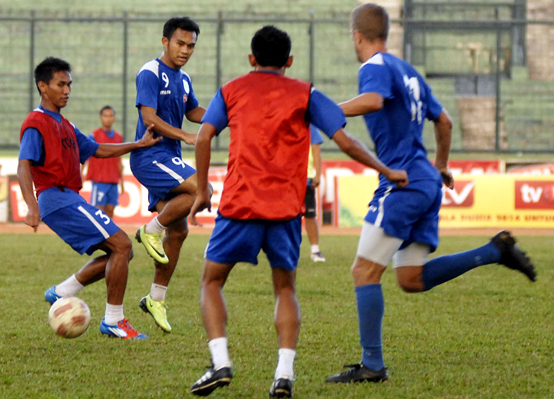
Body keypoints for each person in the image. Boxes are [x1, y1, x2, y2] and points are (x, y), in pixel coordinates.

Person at [187, 25, 407, 398]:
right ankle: (284, 374)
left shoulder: (231, 89)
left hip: (239, 205)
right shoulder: (306, 93)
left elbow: (205, 136)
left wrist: (203, 187)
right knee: (285, 287)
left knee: (211, 281)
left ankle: (220, 362)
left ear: (251, 59)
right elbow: (346, 141)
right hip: (286, 210)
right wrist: (386, 170)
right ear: (289, 61)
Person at [325, 4, 536, 384]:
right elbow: (445, 120)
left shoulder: (372, 67)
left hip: (402, 182)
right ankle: (494, 251)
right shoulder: (408, 72)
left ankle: (372, 364)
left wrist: (326, 110)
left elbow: (372, 102)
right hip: (425, 180)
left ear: (356, 35)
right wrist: (440, 165)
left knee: (363, 271)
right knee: (410, 278)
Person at [18, 56, 161, 340]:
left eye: (69, 84)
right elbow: (23, 164)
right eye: (61, 84)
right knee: (121, 245)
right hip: (56, 199)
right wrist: (31, 207)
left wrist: (138, 144)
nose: (67, 90)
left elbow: (98, 149)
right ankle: (114, 321)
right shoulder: (36, 122)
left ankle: (62, 292)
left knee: (121, 251)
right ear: (43, 87)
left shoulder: (66, 126)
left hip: (70, 198)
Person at [130, 16, 209, 334]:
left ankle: (155, 299)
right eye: (180, 43)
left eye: (191, 45)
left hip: (168, 158)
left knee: (178, 233)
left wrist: (227, 113)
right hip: (150, 156)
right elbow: (148, 117)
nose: (186, 50)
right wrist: (187, 136)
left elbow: (194, 111)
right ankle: (149, 230)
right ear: (165, 42)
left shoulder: (184, 79)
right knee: (201, 189)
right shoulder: (149, 72)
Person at [82, 105, 125, 219]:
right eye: (105, 116)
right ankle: (98, 236)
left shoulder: (118, 138)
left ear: (114, 117)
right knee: (98, 211)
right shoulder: (94, 136)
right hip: (99, 180)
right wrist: (81, 174)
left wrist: (122, 182)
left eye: (110, 116)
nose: (108, 118)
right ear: (101, 117)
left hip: (113, 181)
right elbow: (86, 156)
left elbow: (119, 161)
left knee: (110, 211)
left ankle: (108, 236)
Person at [305, 125, 325, 263]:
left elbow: (316, 150)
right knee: (285, 217)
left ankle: (315, 251)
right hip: (287, 178)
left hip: (306, 179)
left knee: (310, 215)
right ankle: (285, 249)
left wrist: (317, 174)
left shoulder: (310, 126)